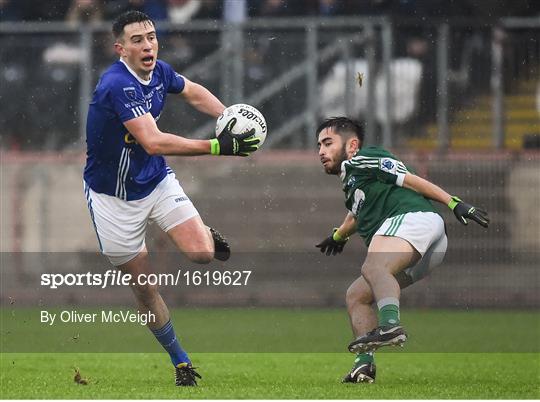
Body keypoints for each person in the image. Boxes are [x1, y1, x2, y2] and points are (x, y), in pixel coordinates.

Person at [83, 10, 259, 387]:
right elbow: (154, 140)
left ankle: (199, 231)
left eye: (151, 36)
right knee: (145, 289)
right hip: (112, 199)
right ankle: (180, 361)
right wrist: (217, 145)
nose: (147, 45)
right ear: (121, 49)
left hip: (156, 179)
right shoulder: (117, 83)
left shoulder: (159, 71)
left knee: (201, 253)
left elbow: (192, 92)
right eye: (137, 40)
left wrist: (230, 117)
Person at [315, 117, 488, 383]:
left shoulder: (363, 158)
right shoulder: (352, 181)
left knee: (374, 267)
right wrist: (338, 235)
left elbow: (410, 180)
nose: (321, 152)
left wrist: (454, 203)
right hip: (429, 250)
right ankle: (364, 364)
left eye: (328, 143)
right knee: (357, 295)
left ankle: (390, 325)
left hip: (414, 219)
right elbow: (356, 215)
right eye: (319, 146)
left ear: (352, 145)